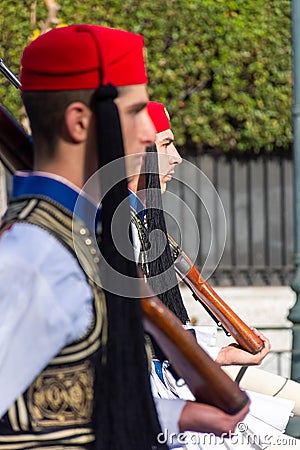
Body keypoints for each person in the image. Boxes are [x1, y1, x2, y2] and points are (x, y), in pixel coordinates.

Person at [0, 25, 251, 449]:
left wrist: (179, 415)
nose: (148, 133)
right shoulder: (33, 259)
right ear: (79, 122)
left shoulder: (80, 236)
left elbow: (64, 404)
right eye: (135, 112)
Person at [129, 100, 300, 449]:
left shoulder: (140, 220)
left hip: (174, 376)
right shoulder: (119, 227)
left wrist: (221, 351)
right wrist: (218, 353)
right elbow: (143, 340)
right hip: (158, 390)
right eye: (164, 145)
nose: (176, 157)